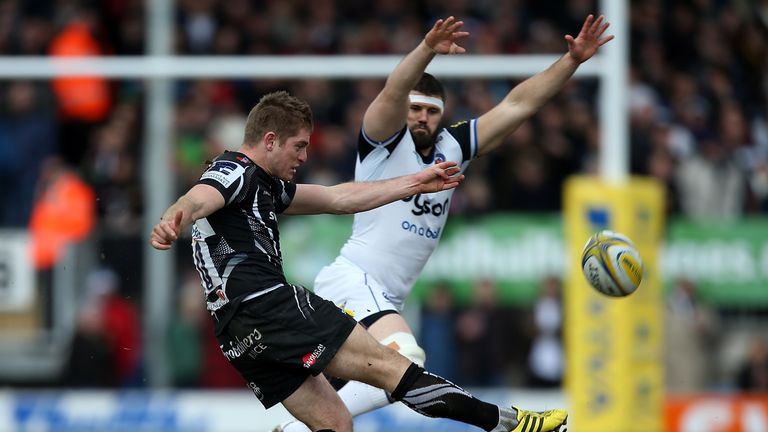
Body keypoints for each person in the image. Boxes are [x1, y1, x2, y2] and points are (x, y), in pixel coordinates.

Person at [150, 90, 566, 432]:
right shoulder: (235, 171)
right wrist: (174, 217)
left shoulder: (266, 187)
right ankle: (508, 423)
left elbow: (339, 198)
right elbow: (200, 195)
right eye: (298, 147)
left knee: (335, 422)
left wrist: (415, 182)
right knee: (396, 369)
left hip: (236, 334)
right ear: (270, 140)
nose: (303, 157)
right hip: (270, 305)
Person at [278, 14, 612, 432]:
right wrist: (425, 51)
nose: (421, 117)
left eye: (430, 111)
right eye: (414, 109)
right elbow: (393, 90)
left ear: (442, 115)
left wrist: (571, 61)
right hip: (355, 278)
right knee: (405, 359)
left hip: (387, 296)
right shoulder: (382, 142)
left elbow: (518, 104)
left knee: (386, 375)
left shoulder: (454, 146)